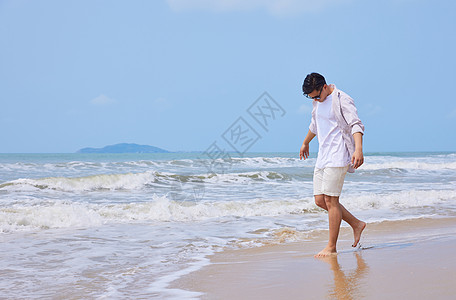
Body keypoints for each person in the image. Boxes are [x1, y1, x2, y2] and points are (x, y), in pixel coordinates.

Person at [299, 72, 366, 258]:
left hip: (338, 155)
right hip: (323, 156)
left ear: (325, 86)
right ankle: (356, 224)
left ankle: (331, 246)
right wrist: (306, 142)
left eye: (317, 96)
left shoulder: (341, 99)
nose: (317, 100)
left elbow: (356, 124)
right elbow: (314, 125)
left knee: (331, 200)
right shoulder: (317, 102)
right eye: (312, 98)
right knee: (320, 200)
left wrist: (358, 149)